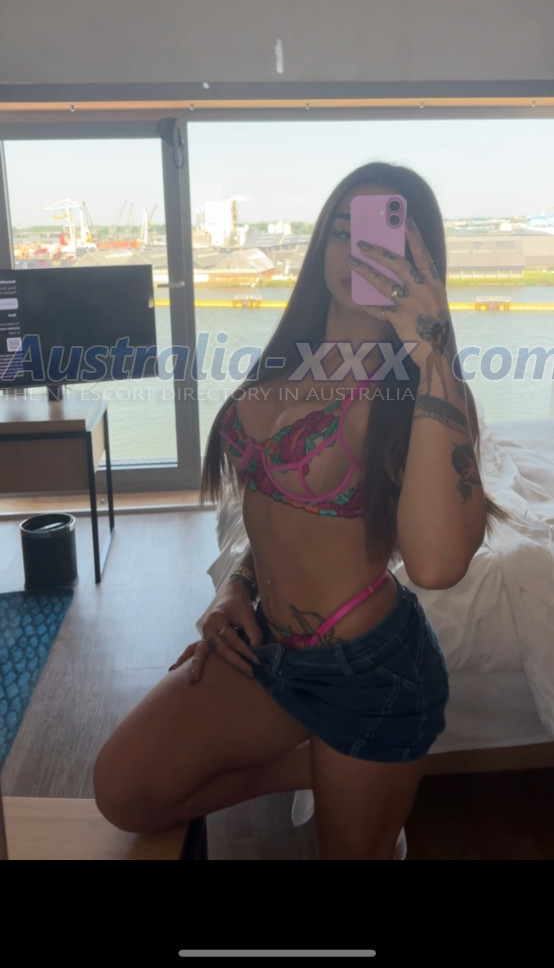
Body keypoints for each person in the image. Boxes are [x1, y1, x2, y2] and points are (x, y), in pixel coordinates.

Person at [93, 161, 504, 860]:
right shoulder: (289, 361)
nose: (358, 250)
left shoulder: (419, 394)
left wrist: (432, 348)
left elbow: (436, 566)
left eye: (383, 237)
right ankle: (323, 765)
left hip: (370, 673)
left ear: (423, 261)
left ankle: (357, 771)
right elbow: (271, 507)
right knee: (124, 790)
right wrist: (235, 585)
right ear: (320, 248)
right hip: (269, 649)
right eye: (342, 231)